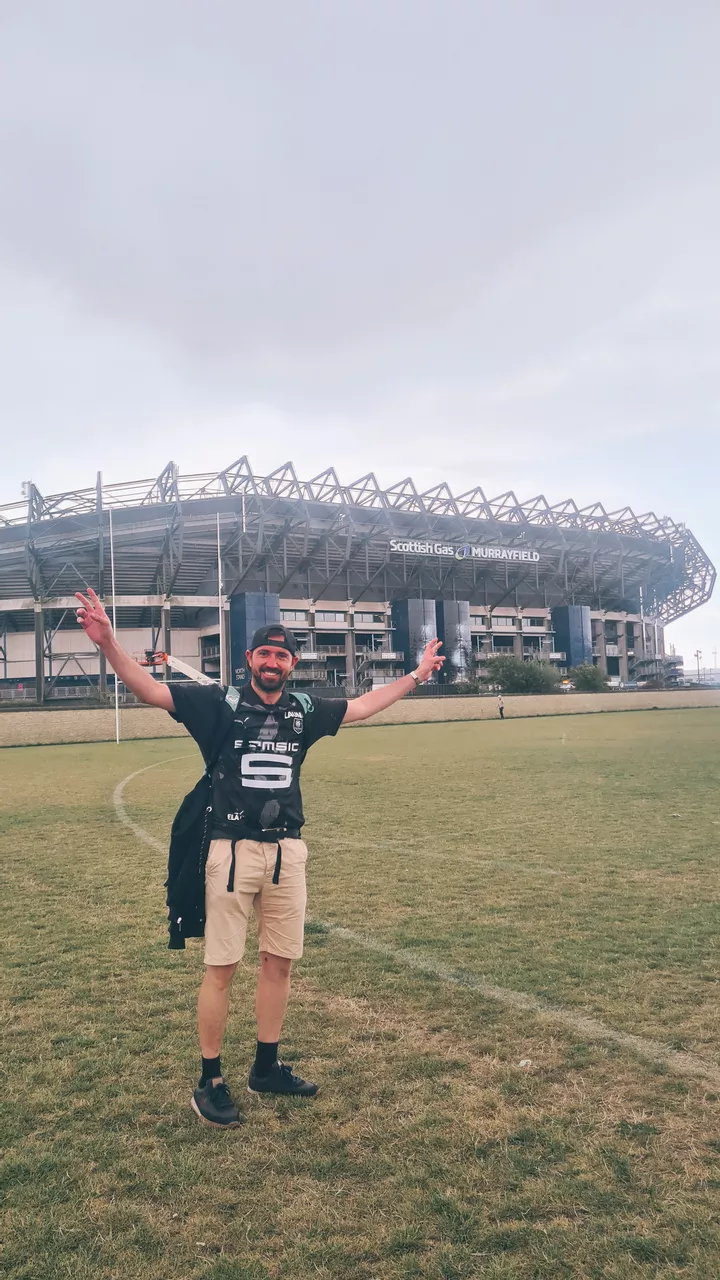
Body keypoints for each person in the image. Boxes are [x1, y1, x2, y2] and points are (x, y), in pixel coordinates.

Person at [75, 588, 444, 1129]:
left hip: (286, 853)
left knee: (279, 962)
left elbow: (363, 706)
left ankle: (266, 1066)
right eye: (264, 654)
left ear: (292, 664)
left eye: (282, 655)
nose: (273, 662)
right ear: (249, 659)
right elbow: (151, 690)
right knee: (222, 968)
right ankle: (210, 1080)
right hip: (230, 851)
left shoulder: (304, 710)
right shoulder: (219, 703)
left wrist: (415, 676)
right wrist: (108, 642)